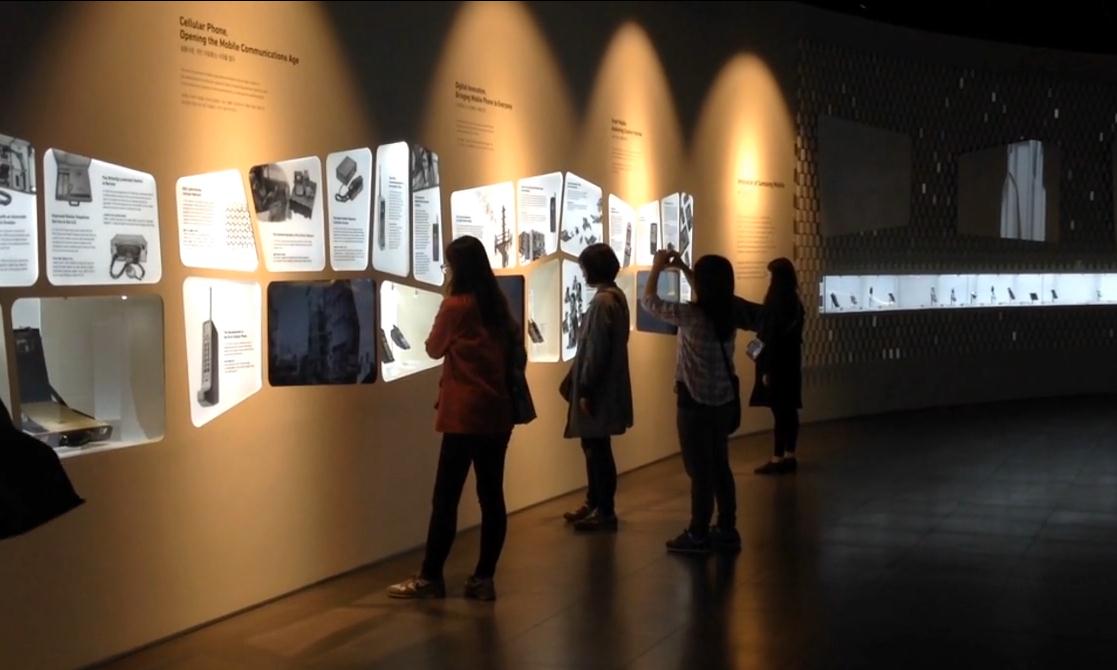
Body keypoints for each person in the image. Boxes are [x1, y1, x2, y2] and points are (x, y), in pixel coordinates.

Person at [388, 235, 525, 601]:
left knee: (446, 499)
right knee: (491, 497)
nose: (446, 271)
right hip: (497, 414)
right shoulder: (497, 306)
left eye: (448, 265)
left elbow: (433, 348)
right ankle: (484, 578)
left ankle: (431, 576)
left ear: (457, 268)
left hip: (465, 416)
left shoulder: (457, 306)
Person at [642, 249, 758, 554]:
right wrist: (682, 267)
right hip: (723, 401)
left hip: (694, 402)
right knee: (720, 466)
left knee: (699, 471)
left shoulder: (691, 315)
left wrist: (657, 267)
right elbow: (710, 291)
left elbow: (649, 301)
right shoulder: (729, 312)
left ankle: (698, 532)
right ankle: (727, 527)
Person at [561, 243, 633, 532]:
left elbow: (596, 349)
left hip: (598, 389)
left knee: (597, 449)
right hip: (605, 385)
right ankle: (595, 502)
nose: (583, 273)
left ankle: (604, 510)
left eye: (584, 268)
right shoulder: (615, 297)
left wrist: (587, 389)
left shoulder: (603, 302)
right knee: (595, 447)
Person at [751, 257, 805, 475]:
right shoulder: (796, 304)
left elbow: (770, 338)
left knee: (780, 413)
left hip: (776, 365)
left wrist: (765, 369)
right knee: (789, 410)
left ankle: (777, 458)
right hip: (791, 363)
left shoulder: (775, 306)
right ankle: (790, 455)